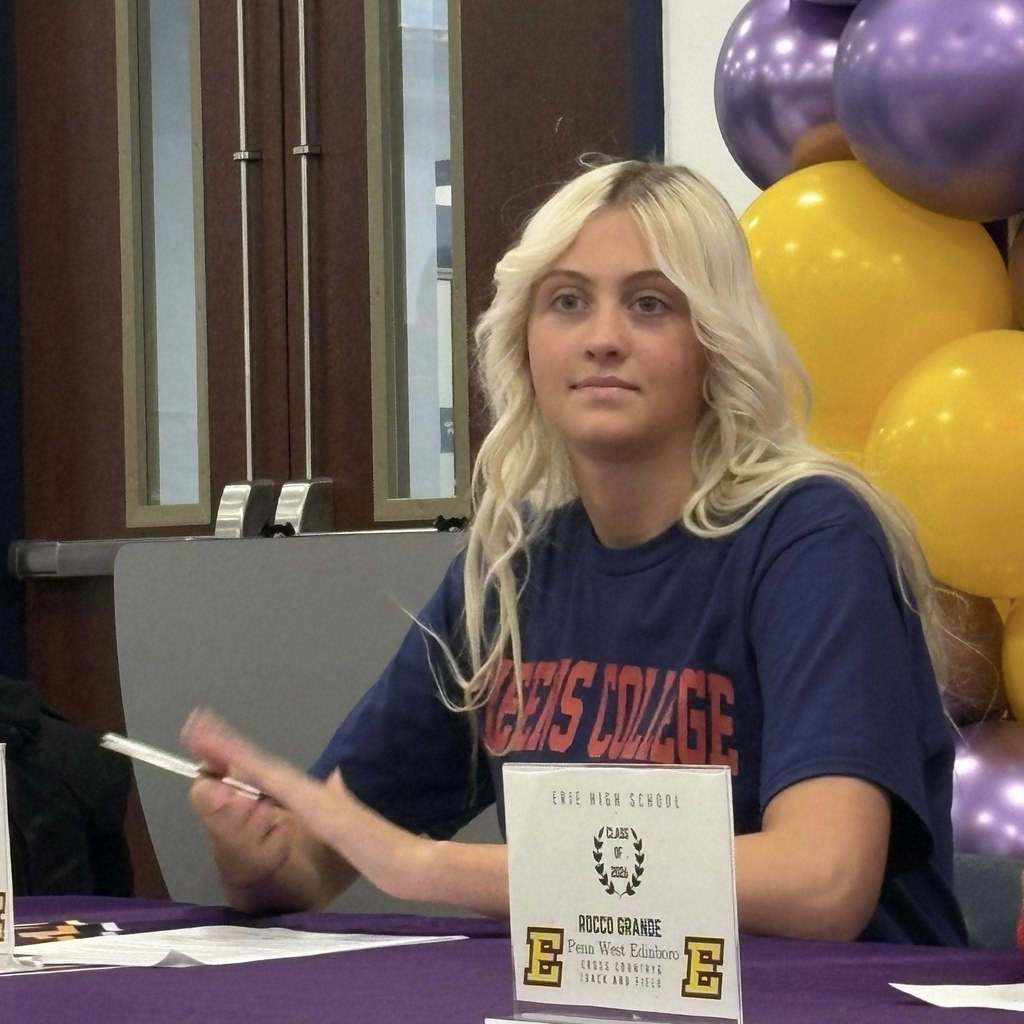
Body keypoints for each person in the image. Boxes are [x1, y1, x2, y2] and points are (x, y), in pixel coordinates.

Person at [183, 159, 967, 945]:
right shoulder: (514, 566)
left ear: (715, 344)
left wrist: (428, 867)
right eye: (567, 302)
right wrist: (256, 854)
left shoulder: (814, 539)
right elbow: (316, 866)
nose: (602, 341)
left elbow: (820, 883)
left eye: (650, 305)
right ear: (525, 345)